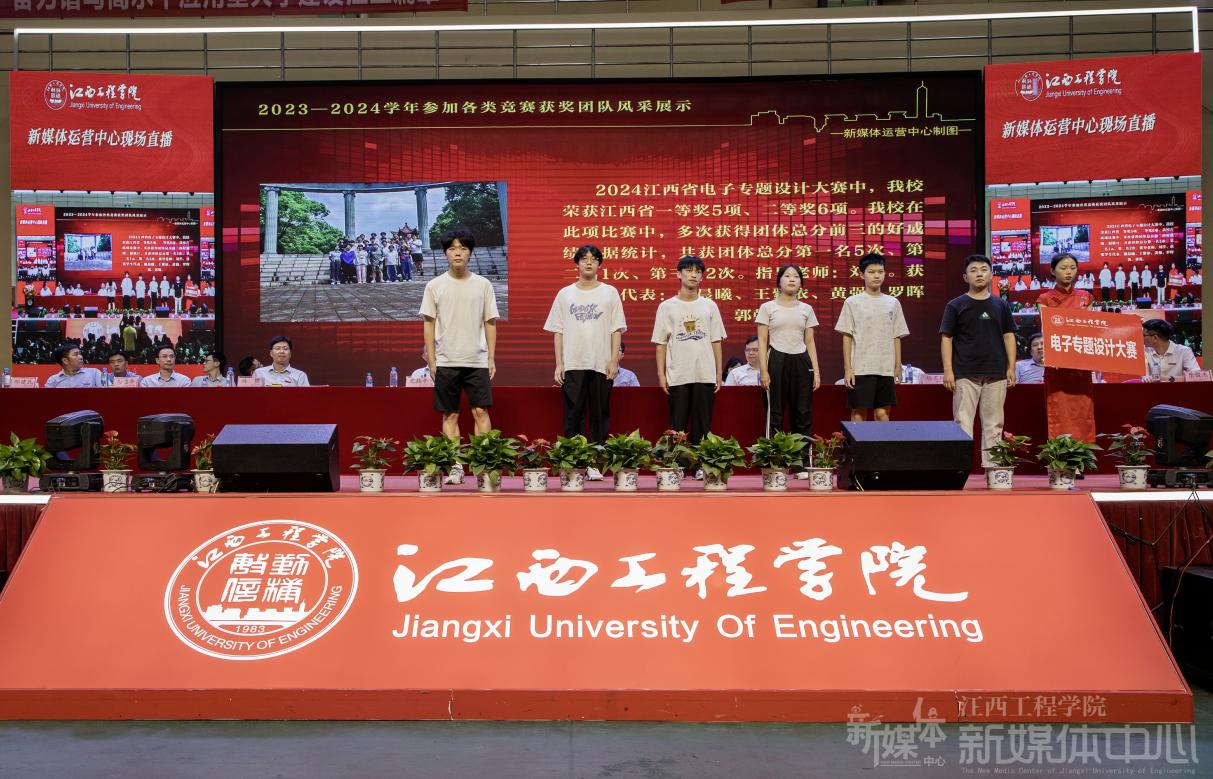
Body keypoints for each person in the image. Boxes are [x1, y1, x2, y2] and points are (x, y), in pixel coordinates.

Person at [420, 229, 499, 484]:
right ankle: (455, 466)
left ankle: (484, 465)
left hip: (476, 359)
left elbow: (490, 322)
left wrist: (491, 358)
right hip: (447, 360)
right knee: (450, 414)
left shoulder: (483, 285)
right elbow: (429, 324)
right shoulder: (435, 286)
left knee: (480, 412)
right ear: (445, 253)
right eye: (453, 248)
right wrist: (432, 360)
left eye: (463, 248)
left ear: (470, 254)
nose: (458, 253)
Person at [544, 245, 626, 476]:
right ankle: (574, 464)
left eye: (594, 259)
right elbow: (558, 331)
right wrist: (559, 363)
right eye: (584, 258)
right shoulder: (565, 294)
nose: (589, 262)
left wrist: (613, 360)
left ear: (600, 264)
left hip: (601, 364)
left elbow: (616, 329)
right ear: (577, 264)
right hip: (574, 363)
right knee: (573, 414)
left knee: (600, 414)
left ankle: (594, 464)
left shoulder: (610, 292)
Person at [939, 254, 1017, 468]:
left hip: (996, 373)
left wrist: (1011, 367)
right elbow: (947, 337)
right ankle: (961, 469)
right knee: (962, 422)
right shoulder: (956, 305)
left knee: (994, 423)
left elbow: (1009, 335)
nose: (979, 274)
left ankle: (993, 469)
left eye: (984, 269)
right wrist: (948, 370)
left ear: (991, 275)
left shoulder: (1001, 305)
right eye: (973, 270)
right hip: (965, 372)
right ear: (966, 277)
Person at [653, 255, 726, 450]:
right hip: (678, 373)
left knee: (703, 425)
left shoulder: (710, 305)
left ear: (702, 277)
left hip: (705, 373)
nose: (693, 275)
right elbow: (660, 344)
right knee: (677, 426)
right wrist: (661, 374)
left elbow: (716, 340)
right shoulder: (666, 307)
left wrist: (718, 372)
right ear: (679, 274)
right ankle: (677, 462)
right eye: (689, 270)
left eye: (698, 272)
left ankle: (701, 462)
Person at [757, 265, 820, 467]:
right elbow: (762, 341)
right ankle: (775, 463)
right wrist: (764, 371)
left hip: (801, 360)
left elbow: (810, 342)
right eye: (787, 276)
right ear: (779, 282)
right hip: (776, 359)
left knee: (802, 413)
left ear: (801, 283)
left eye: (796, 276)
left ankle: (801, 463)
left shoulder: (806, 309)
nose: (792, 279)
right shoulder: (768, 307)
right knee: (775, 413)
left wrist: (816, 371)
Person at [836, 253, 910, 423]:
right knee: (858, 413)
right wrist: (848, 368)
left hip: (885, 367)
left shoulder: (893, 303)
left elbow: (896, 335)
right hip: (861, 368)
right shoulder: (852, 302)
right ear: (862, 274)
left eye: (880, 272)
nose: (876, 276)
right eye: (871, 272)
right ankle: (858, 443)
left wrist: (897, 365)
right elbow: (847, 336)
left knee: (882, 414)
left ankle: (882, 442)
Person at [1037, 251, 1095, 441]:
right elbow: (1047, 329)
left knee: (1083, 411)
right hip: (1057, 364)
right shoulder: (1045, 299)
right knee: (1058, 412)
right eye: (1063, 268)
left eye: (1072, 268)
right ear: (1053, 271)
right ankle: (1061, 456)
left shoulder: (1086, 297)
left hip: (1081, 363)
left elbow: (1091, 328)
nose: (1068, 272)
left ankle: (1083, 456)